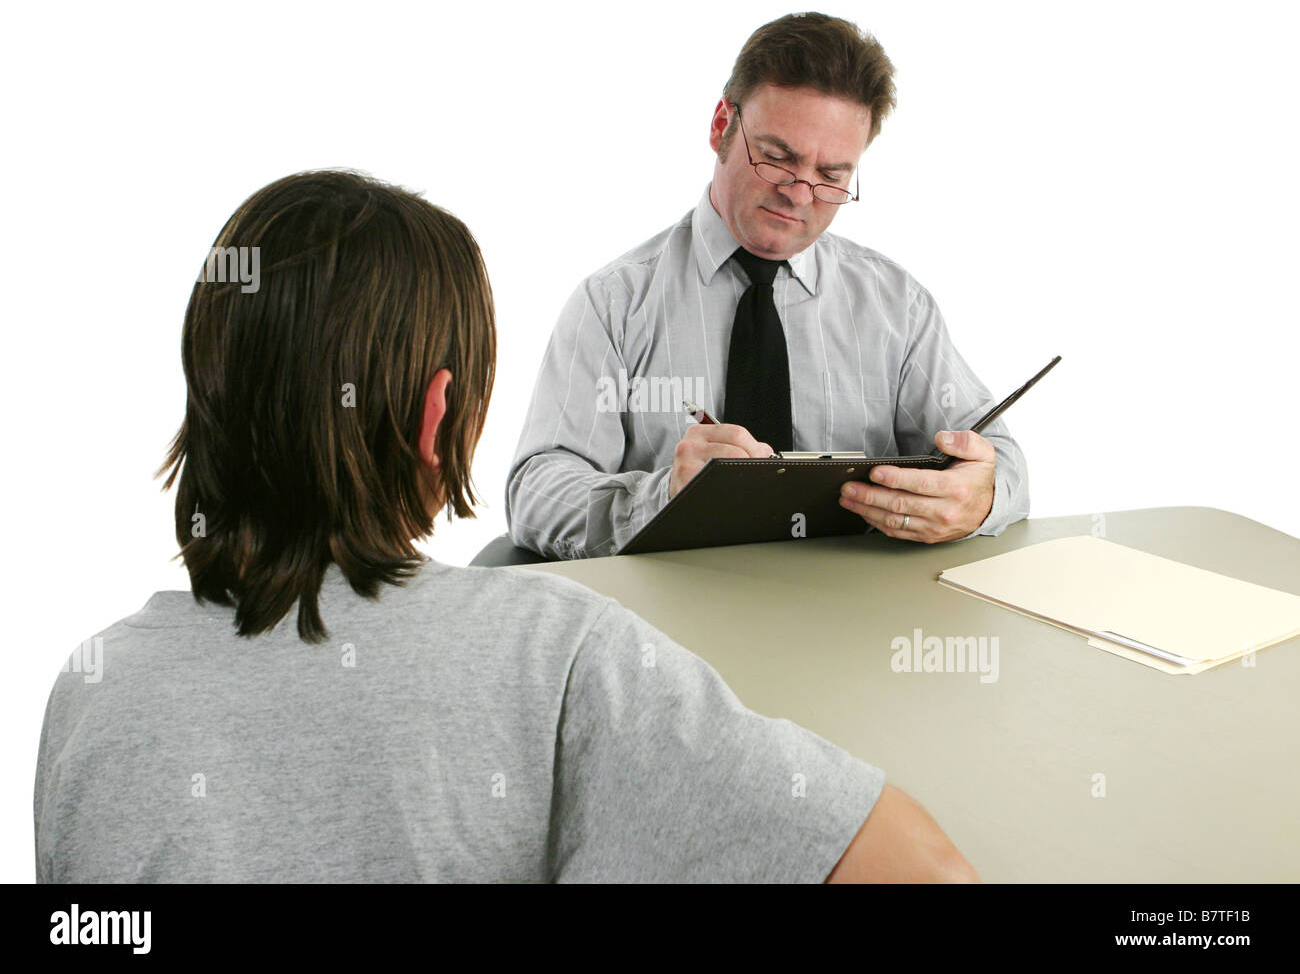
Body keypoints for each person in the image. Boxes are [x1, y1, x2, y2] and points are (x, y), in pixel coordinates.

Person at [34, 169, 976, 884]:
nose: (802, 189)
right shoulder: (552, 653)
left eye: (832, 176)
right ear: (441, 418)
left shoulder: (92, 691)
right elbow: (923, 871)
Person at [507, 12, 1030, 559]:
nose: (800, 195)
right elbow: (534, 493)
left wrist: (980, 496)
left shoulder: (897, 306)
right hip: (664, 621)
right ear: (720, 126)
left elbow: (1000, 456)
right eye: (778, 158)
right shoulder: (614, 303)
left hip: (848, 618)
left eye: (832, 177)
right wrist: (659, 496)